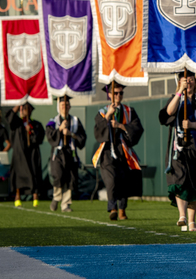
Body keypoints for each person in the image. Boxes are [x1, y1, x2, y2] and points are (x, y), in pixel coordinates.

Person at [159, 71, 196, 232]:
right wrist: (179, 92)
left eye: (191, 79)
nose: (189, 82)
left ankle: (192, 221)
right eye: (185, 79)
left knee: (195, 184)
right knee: (180, 180)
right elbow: (167, 114)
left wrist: (193, 125)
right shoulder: (176, 100)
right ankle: (182, 215)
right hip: (179, 149)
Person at [93, 84, 144, 220]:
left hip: (123, 150)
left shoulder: (129, 111)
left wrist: (121, 126)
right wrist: (109, 115)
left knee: (123, 179)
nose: (118, 96)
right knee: (111, 180)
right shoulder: (102, 112)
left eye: (121, 93)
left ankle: (122, 209)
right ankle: (113, 208)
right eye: (115, 93)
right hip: (107, 150)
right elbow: (98, 132)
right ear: (109, 94)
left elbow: (137, 129)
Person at [46, 95, 87, 213]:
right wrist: (59, 129)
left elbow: (82, 138)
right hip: (58, 153)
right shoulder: (52, 121)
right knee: (58, 176)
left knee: (70, 179)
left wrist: (71, 134)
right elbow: (50, 137)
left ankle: (65, 204)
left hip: (71, 153)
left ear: (70, 106)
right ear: (59, 107)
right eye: (62, 105)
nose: (65, 107)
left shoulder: (75, 121)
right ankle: (57, 197)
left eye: (66, 104)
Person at [6, 102, 45, 207]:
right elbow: (9, 118)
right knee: (18, 176)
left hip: (32, 154)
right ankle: (17, 197)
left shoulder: (36, 124)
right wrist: (18, 104)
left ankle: (35, 198)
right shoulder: (16, 123)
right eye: (21, 109)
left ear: (30, 110)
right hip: (19, 154)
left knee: (34, 174)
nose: (22, 111)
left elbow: (39, 139)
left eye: (25, 108)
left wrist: (31, 131)